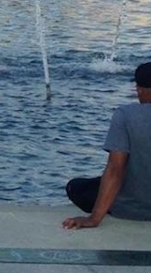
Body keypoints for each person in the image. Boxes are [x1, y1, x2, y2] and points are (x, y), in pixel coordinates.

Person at [64, 63, 151, 227]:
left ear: (138, 89)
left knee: (75, 187)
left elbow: (115, 168)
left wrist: (94, 218)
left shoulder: (125, 115)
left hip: (131, 209)